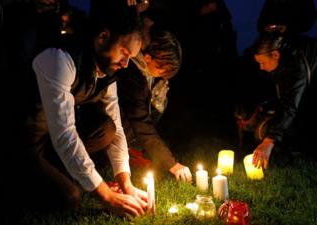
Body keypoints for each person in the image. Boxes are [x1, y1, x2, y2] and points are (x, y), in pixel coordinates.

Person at [24, 2, 147, 216]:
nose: (126, 63)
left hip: (51, 140)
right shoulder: (59, 59)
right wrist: (107, 196)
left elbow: (116, 129)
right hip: (27, 140)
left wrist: (125, 182)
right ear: (103, 37)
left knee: (106, 128)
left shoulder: (107, 70)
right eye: (124, 52)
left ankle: (61, 170)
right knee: (71, 197)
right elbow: (65, 135)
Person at [243, 32, 317, 169]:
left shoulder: (296, 67)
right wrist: (262, 108)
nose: (261, 67)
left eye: (262, 62)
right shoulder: (281, 63)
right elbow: (282, 95)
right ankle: (308, 147)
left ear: (275, 55)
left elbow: (290, 105)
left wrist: (268, 141)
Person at [116, 28, 192, 182]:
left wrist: (158, 100)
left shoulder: (146, 70)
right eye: (160, 70)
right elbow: (140, 121)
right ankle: (126, 152)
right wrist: (172, 164)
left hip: (128, 126)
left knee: (158, 104)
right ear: (148, 58)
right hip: (115, 125)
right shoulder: (130, 72)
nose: (161, 76)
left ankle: (133, 150)